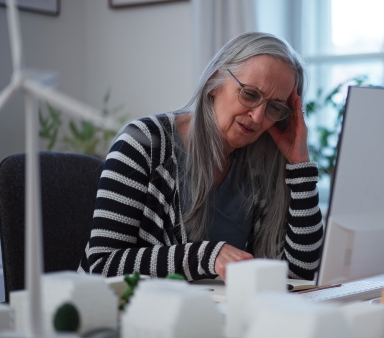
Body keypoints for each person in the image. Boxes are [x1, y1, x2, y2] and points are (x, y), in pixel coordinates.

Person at [78, 32, 324, 282]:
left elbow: (299, 273)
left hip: (215, 313)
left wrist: (300, 165)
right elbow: (102, 265)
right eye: (249, 94)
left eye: (274, 107)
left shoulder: (259, 162)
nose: (258, 117)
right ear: (214, 81)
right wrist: (207, 256)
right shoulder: (143, 143)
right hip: (132, 311)